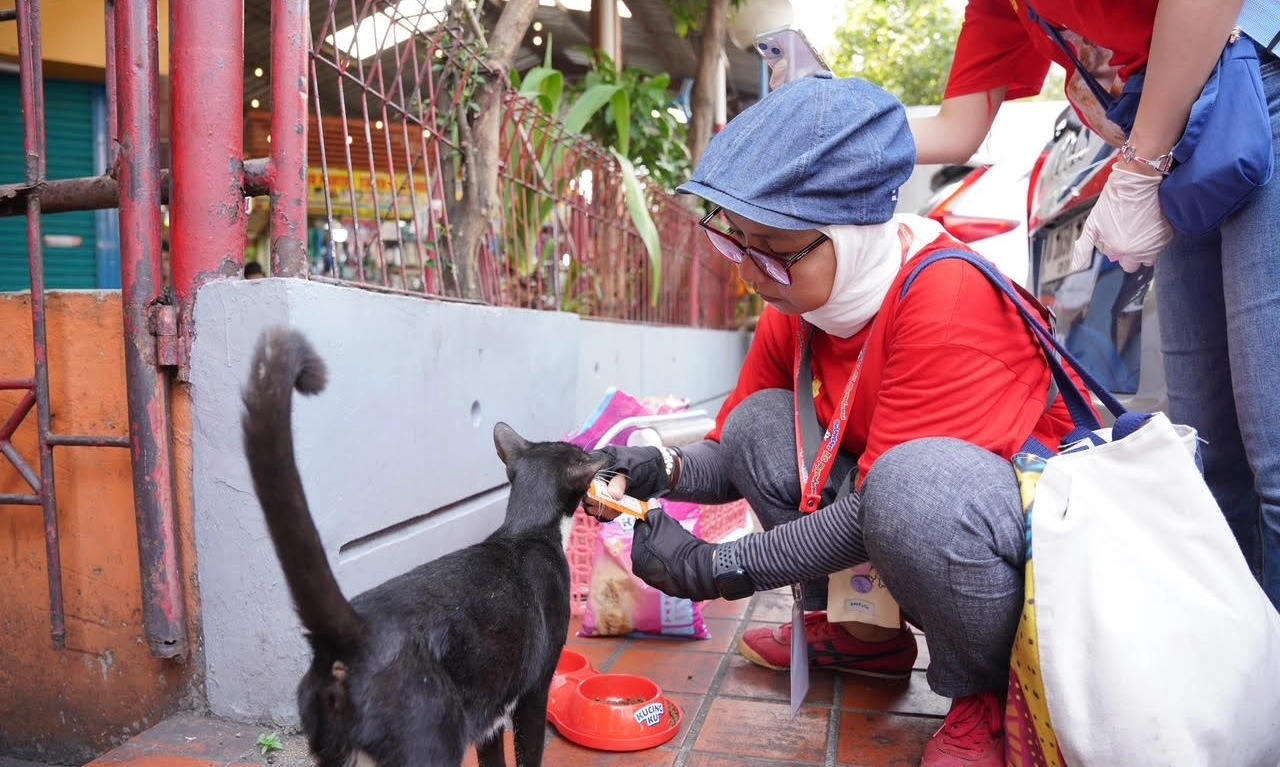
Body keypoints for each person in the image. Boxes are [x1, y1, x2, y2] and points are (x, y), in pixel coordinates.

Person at [587, 74, 1092, 767]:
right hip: (896, 502)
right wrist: (658, 468)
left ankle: (983, 691)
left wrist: (719, 567)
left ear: (853, 233)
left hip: (1015, 542)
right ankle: (865, 633)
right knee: (759, 425)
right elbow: (735, 452)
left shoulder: (948, 294)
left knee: (914, 490)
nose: (750, 273)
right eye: (738, 241)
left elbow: (880, 510)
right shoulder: (799, 304)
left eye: (772, 247)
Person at [906, 0, 1280, 613]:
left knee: (1274, 461)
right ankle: (1245, 660)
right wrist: (833, 125)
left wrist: (1139, 167)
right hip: (1181, 135)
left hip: (1254, 78)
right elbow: (957, 129)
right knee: (1210, 462)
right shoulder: (1002, 6)